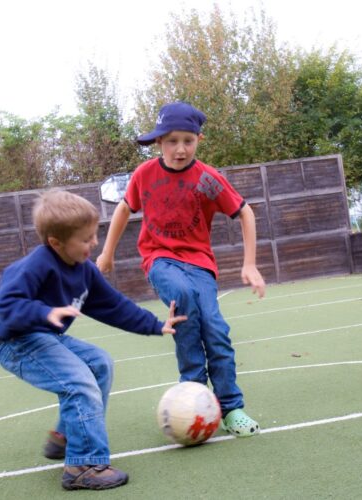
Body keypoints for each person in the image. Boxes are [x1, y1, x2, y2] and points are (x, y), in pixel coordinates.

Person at [0, 189, 186, 491]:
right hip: (15, 343)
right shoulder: (35, 266)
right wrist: (44, 312)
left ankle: (66, 436)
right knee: (79, 383)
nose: (94, 243)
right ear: (56, 243)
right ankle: (82, 465)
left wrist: (155, 325)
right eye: (85, 239)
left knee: (99, 364)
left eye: (94, 235)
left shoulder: (85, 271)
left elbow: (113, 305)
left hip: (43, 337)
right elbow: (6, 306)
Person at [96, 101, 267, 437]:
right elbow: (123, 209)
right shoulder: (145, 175)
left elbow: (245, 212)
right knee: (184, 299)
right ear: (159, 142)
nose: (180, 149)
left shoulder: (207, 179)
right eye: (172, 141)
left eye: (188, 140)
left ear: (198, 140)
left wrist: (250, 263)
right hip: (159, 259)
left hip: (200, 264)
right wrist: (107, 254)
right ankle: (192, 394)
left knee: (216, 330)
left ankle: (231, 408)